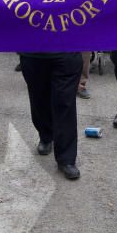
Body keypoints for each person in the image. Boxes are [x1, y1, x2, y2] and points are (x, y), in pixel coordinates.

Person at [19, 51, 83, 179]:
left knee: (64, 103)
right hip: (32, 52)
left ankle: (66, 159)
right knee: (39, 98)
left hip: (67, 51)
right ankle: (46, 135)